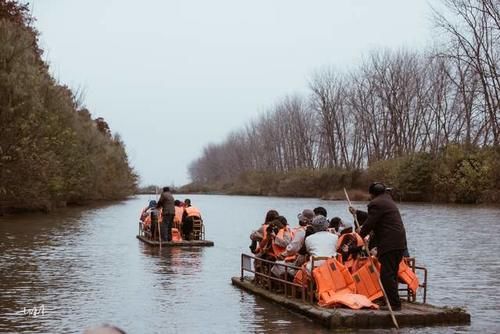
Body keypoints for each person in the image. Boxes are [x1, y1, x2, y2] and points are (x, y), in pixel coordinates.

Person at [351, 182, 407, 311]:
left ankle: (394, 304)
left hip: (389, 243)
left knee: (386, 275)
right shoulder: (387, 200)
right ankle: (393, 301)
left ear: (373, 194)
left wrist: (361, 234)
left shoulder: (375, 204)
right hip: (399, 243)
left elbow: (371, 222)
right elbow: (376, 217)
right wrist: (358, 212)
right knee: (391, 273)